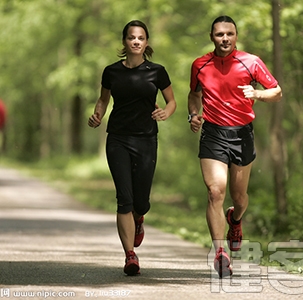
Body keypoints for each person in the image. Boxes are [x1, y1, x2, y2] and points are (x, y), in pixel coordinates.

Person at [187, 15, 282, 278]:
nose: (224, 39)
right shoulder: (200, 64)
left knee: (239, 198)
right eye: (219, 34)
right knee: (215, 192)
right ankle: (220, 253)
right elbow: (194, 95)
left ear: (236, 36)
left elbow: (276, 91)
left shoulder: (251, 62)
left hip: (242, 135)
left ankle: (235, 220)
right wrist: (193, 115)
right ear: (211, 37)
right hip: (213, 133)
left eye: (229, 34)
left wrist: (258, 94)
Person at [88, 20, 176, 276]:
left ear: (146, 42)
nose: (136, 41)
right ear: (124, 42)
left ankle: (139, 218)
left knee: (141, 202)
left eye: (140, 38)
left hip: (147, 139)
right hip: (117, 139)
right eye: (131, 37)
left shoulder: (157, 71)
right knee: (123, 198)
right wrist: (97, 115)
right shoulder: (111, 72)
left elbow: (172, 102)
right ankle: (130, 255)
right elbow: (103, 100)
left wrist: (166, 112)